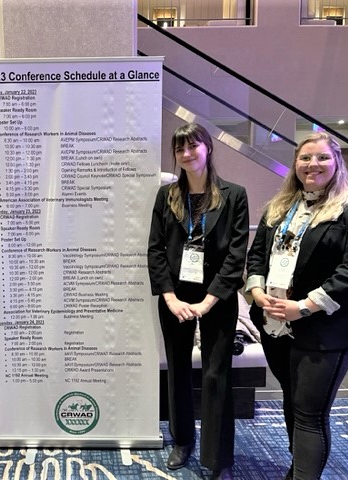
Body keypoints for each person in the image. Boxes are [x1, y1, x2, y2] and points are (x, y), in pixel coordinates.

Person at [245, 132, 348, 480]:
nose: (313, 164)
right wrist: (257, 294)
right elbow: (257, 255)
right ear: (295, 164)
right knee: (293, 401)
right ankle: (298, 470)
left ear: (336, 163)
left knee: (309, 413)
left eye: (322, 157)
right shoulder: (280, 208)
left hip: (325, 330)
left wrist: (302, 307)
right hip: (276, 326)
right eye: (305, 158)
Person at [148, 123, 249, 480]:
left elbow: (237, 255)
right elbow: (156, 250)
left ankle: (217, 455)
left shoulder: (234, 195)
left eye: (193, 146)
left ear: (208, 148)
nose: (187, 154)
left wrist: (208, 302)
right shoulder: (167, 196)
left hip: (217, 298)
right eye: (180, 149)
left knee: (215, 374)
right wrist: (170, 297)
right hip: (175, 297)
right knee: (177, 369)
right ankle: (183, 440)